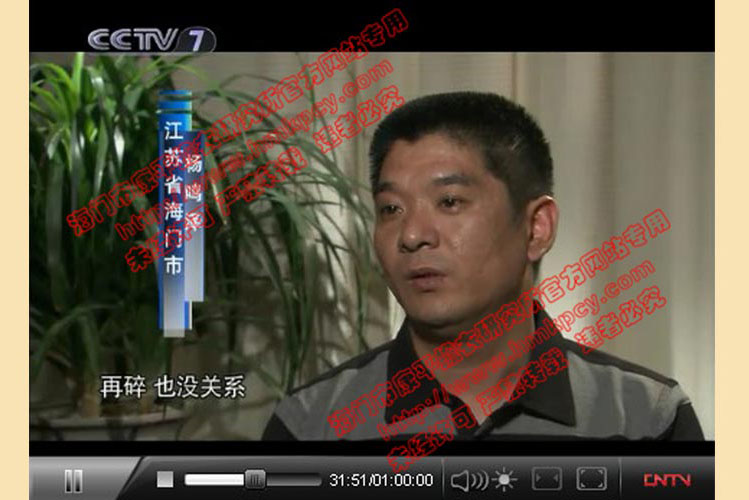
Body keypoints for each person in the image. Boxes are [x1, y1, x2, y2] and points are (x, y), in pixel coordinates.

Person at [262, 91, 704, 441]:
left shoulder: (646, 420)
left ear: (537, 228)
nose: (412, 235)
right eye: (391, 208)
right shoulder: (310, 425)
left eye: (449, 202)